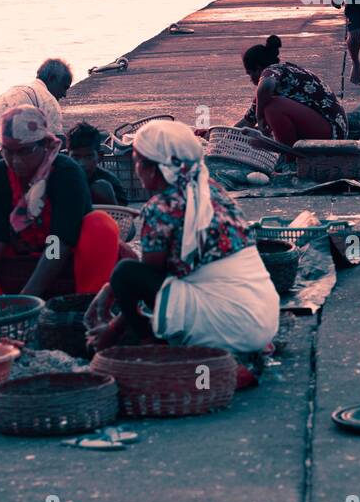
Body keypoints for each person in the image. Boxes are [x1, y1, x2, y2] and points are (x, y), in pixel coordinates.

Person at [84, 121, 279, 359]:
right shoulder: (211, 190)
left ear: (154, 169)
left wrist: (113, 329)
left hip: (225, 329)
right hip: (263, 319)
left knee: (125, 273)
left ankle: (149, 342)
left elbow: (145, 281)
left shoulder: (161, 208)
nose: (136, 170)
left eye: (137, 162)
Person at [0, 105, 120, 299]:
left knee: (100, 226)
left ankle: (85, 302)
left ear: (45, 145)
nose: (16, 160)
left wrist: (28, 296)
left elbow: (59, 241)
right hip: (16, 257)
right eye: (8, 152)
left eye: (25, 151)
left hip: (62, 259)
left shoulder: (66, 173)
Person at [0, 58, 73, 180]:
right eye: (64, 87)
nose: (65, 94)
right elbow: (57, 140)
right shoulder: (48, 99)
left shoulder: (19, 89)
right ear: (52, 79)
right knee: (51, 148)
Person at [237, 35, 347, 145]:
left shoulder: (274, 69)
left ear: (259, 68)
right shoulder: (265, 94)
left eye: (250, 73)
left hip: (333, 132)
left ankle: (288, 157)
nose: (250, 79)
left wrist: (260, 117)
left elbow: (266, 86)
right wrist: (225, 140)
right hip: (321, 127)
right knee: (255, 141)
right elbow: (247, 122)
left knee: (273, 107)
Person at [67, 122, 128, 205]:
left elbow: (121, 213)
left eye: (88, 157)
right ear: (67, 156)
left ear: (100, 157)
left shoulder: (110, 181)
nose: (82, 163)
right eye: (76, 157)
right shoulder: (62, 178)